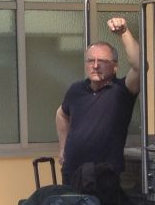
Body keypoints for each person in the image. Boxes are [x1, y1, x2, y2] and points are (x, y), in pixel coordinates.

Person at [56, 17, 142, 187]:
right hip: (72, 171)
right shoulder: (76, 90)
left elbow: (140, 67)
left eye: (102, 61)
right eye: (90, 61)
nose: (95, 66)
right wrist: (63, 148)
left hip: (104, 175)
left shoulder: (122, 90)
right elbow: (61, 114)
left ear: (115, 66)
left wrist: (124, 33)